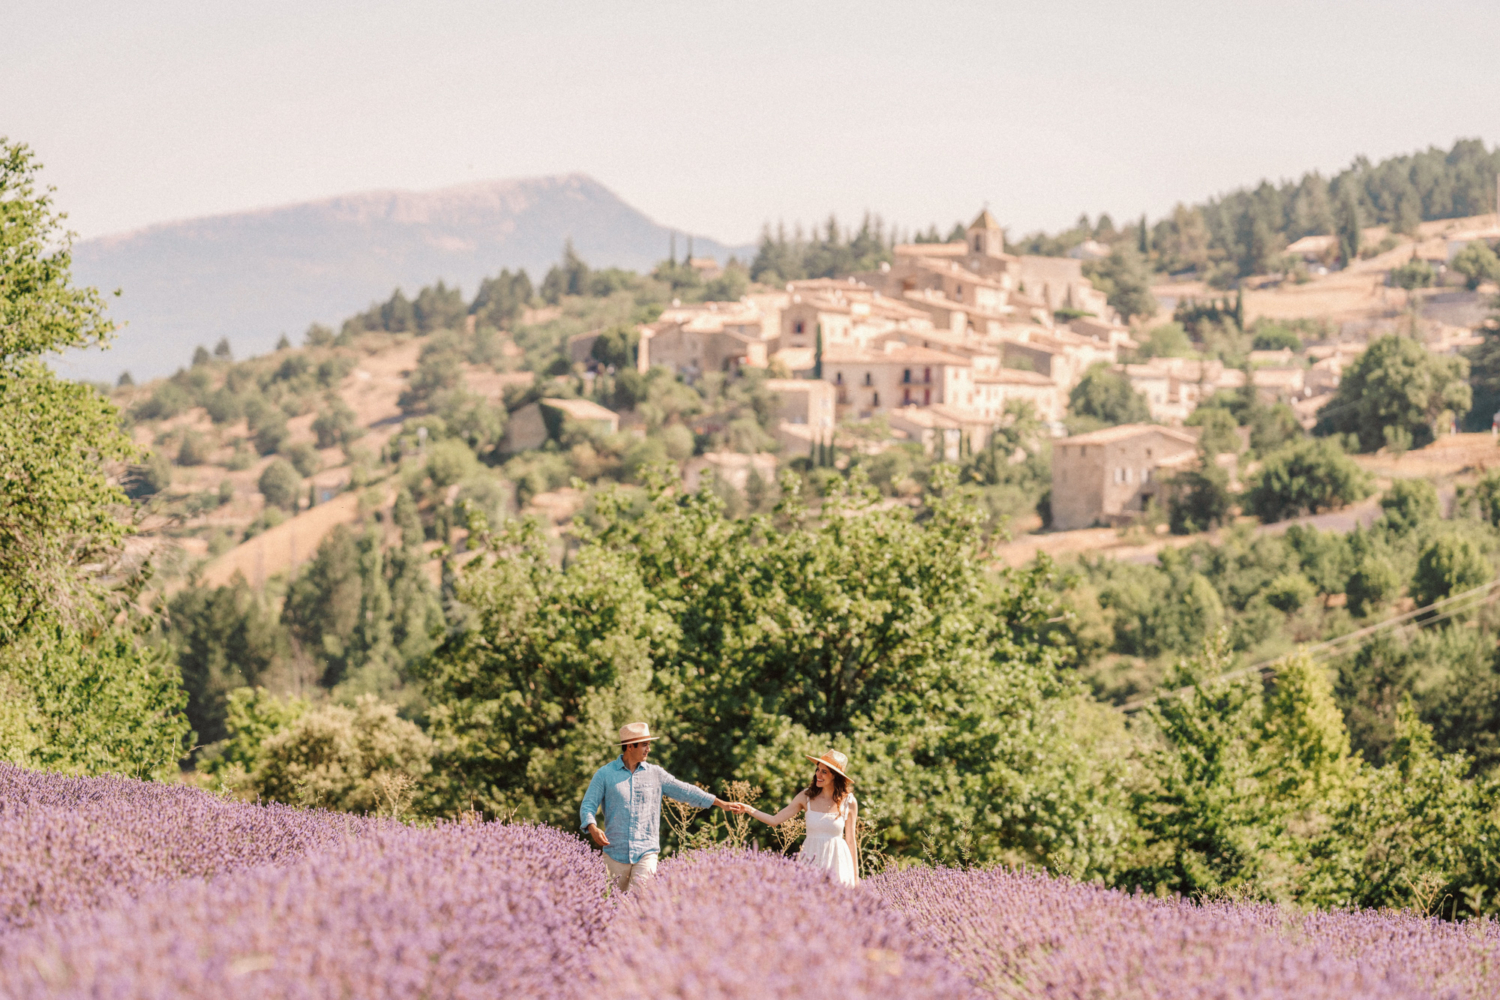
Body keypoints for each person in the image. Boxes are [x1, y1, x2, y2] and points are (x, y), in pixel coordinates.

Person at [579, 721, 747, 892]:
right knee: (612, 904)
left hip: (646, 852)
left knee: (638, 902)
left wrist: (721, 803)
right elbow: (588, 805)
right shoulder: (604, 775)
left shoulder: (656, 774)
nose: (648, 749)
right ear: (630, 746)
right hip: (614, 853)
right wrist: (592, 828)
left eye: (649, 744)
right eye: (645, 745)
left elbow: (686, 791)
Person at [744, 749, 859, 886]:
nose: (818, 774)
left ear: (835, 776)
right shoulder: (806, 797)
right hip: (811, 858)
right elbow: (774, 820)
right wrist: (747, 809)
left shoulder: (849, 802)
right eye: (818, 770)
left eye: (824, 771)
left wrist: (856, 877)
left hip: (838, 862)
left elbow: (851, 841)